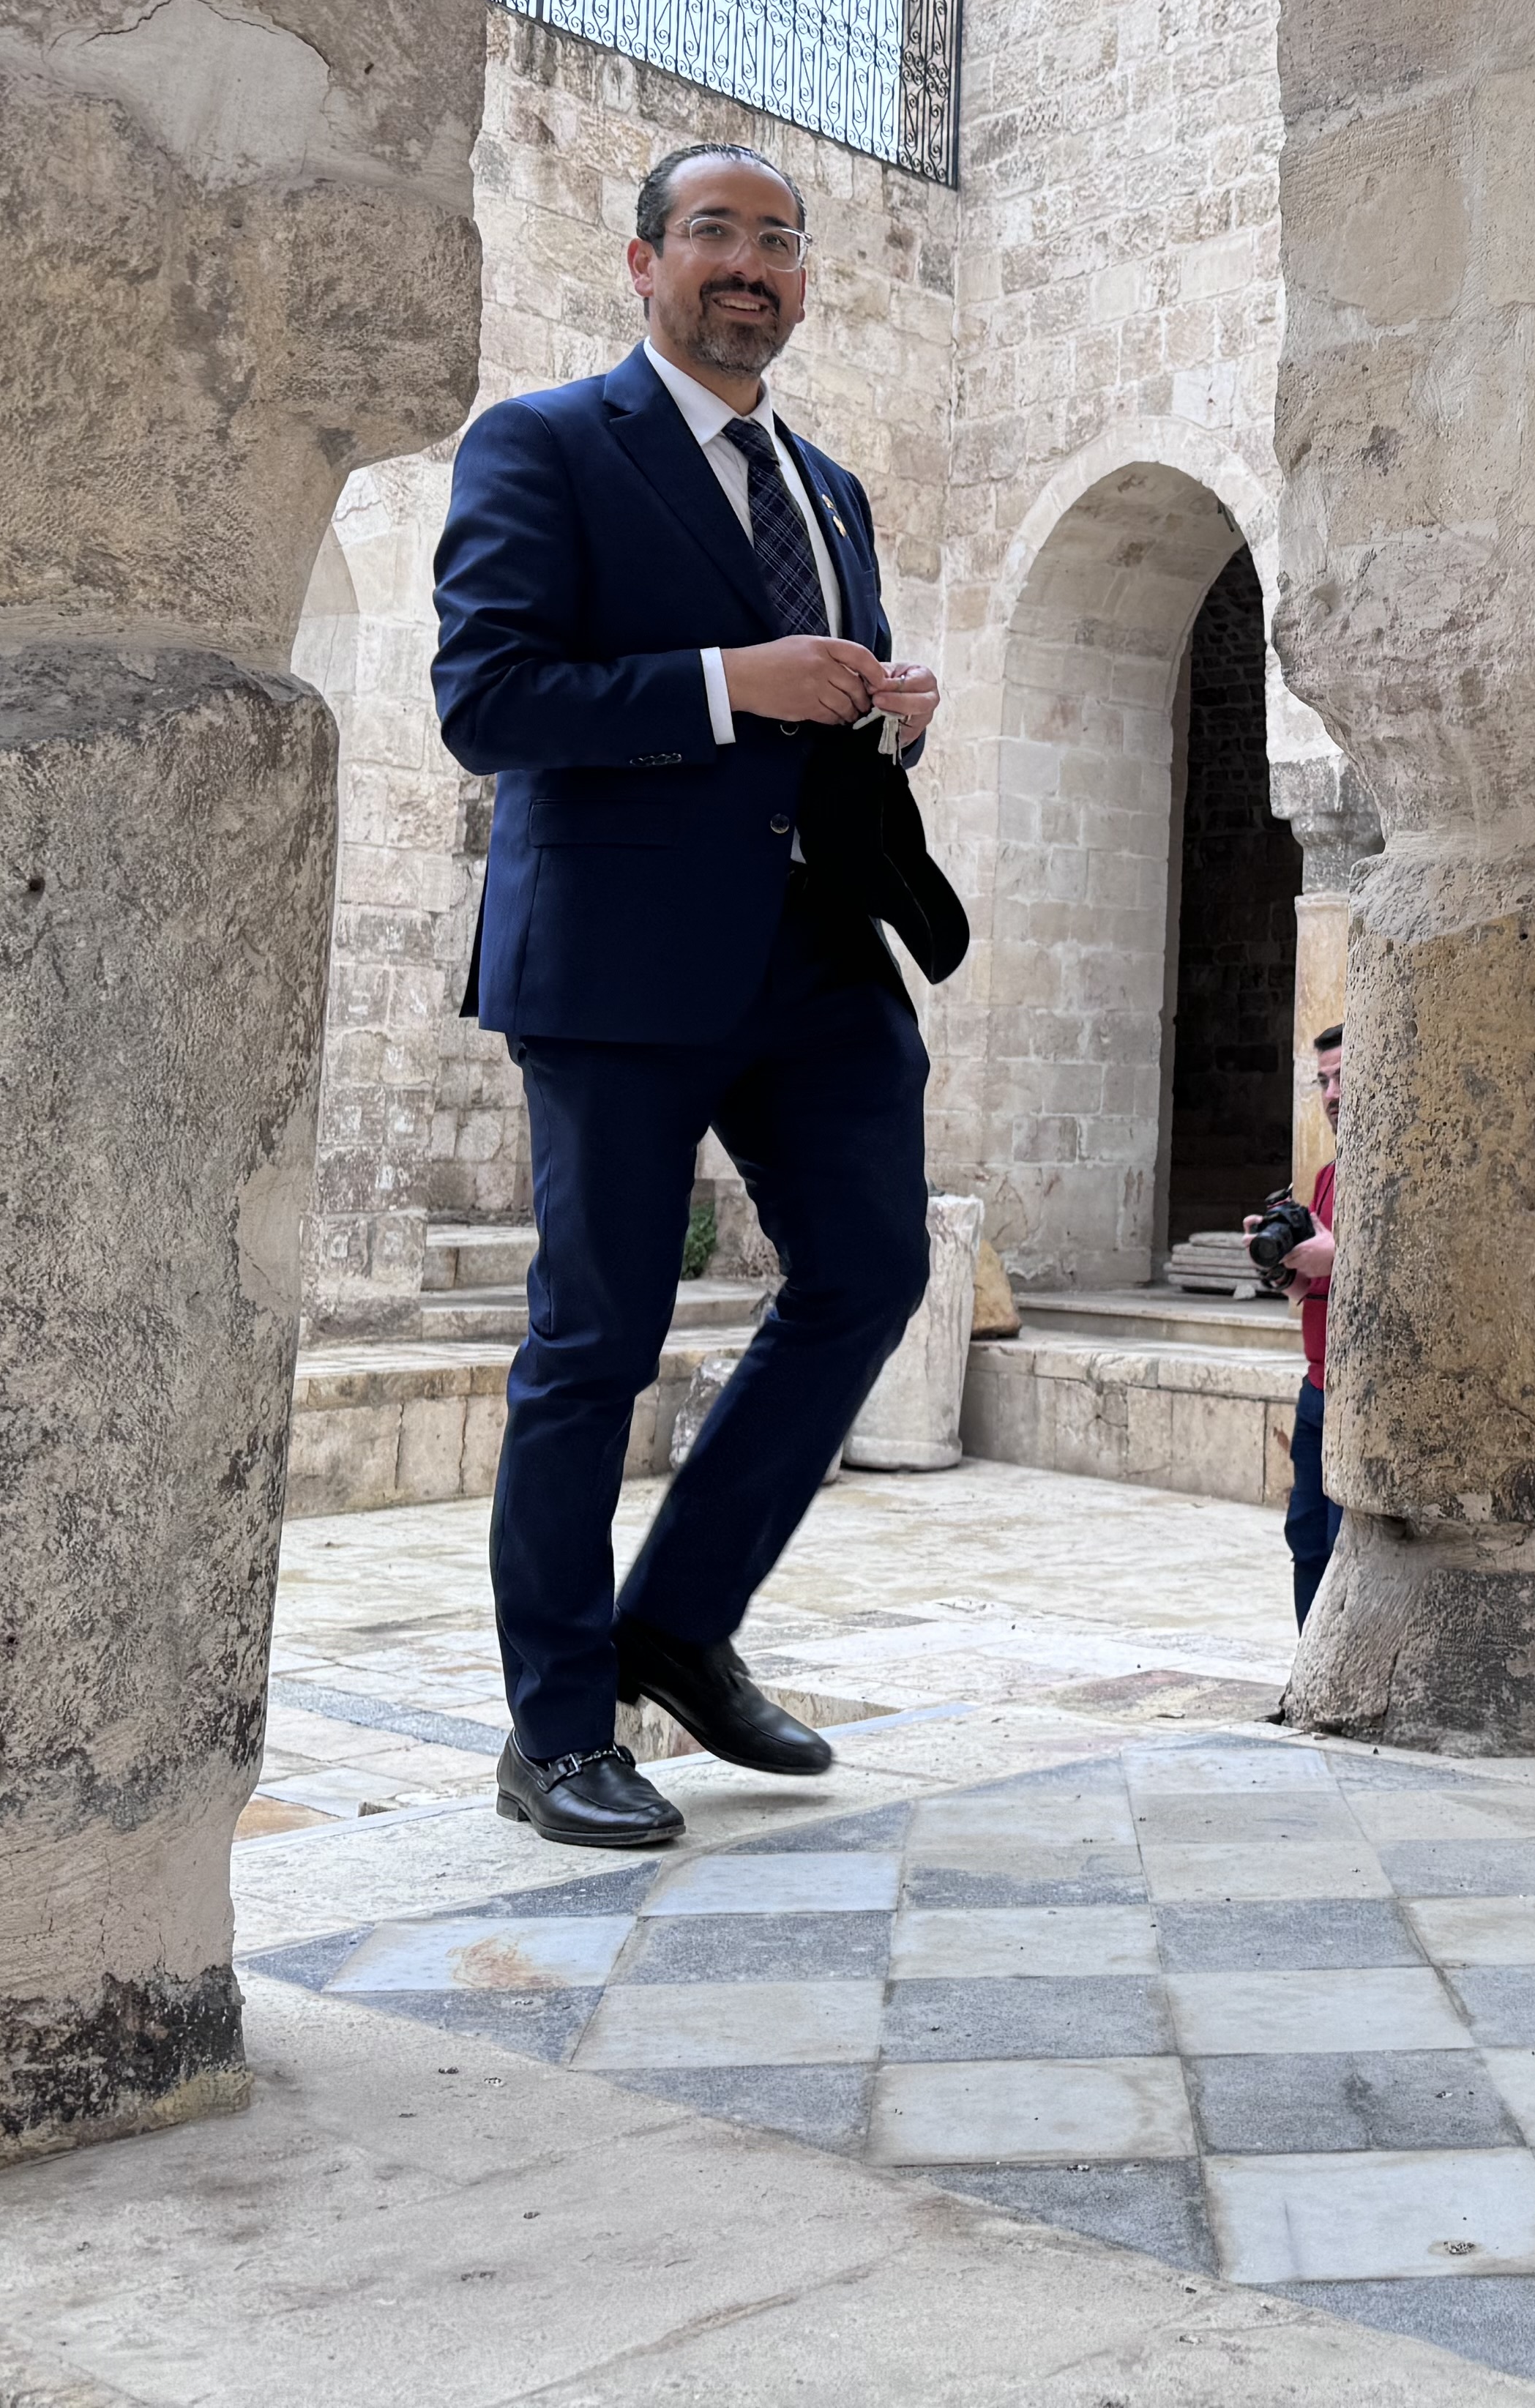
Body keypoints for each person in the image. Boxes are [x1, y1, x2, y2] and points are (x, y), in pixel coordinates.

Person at [431, 141, 956, 1851]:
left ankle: (678, 1620)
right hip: (619, 962)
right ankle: (559, 1726)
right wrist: (734, 685)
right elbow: (491, 698)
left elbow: (822, 713)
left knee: (872, 1272)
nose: (752, 266)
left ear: (805, 286)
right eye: (717, 234)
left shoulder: (832, 490)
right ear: (644, 263)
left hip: (816, 961)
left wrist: (881, 711)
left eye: (781, 245)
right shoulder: (546, 446)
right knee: (596, 1341)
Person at [1264, 1026, 1345, 1627]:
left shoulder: (1401, 1176)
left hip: (1359, 1397)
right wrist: (1293, 1275)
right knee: (1308, 1541)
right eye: (1323, 1081)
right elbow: (1322, 1285)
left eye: (1344, 1077)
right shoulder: (1326, 1177)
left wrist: (1335, 1256)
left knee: (1347, 1549)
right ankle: (1309, 1670)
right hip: (1316, 1390)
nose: (1333, 1094)